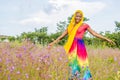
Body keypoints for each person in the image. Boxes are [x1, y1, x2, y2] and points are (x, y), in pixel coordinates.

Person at [48, 10, 115, 80]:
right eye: (77, 16)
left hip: (80, 46)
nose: (78, 18)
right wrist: (53, 43)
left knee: (83, 62)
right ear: (74, 16)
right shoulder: (71, 26)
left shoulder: (84, 25)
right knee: (73, 63)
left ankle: (87, 78)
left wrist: (106, 39)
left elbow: (94, 34)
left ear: (82, 17)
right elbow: (62, 36)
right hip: (72, 46)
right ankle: (73, 78)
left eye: (80, 16)